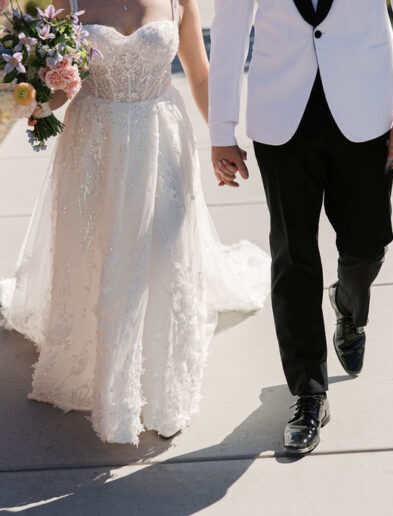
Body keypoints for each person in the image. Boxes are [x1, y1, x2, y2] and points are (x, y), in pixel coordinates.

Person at [0, 0, 270, 445]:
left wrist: (223, 140)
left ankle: (159, 382)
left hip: (160, 137)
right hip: (94, 141)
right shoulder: (66, 3)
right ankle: (106, 376)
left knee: (162, 258)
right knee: (100, 252)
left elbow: (199, 74)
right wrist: (37, 100)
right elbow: (60, 80)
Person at [209, 0, 393, 454]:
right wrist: (222, 128)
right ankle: (308, 393)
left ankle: (349, 310)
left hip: (367, 106)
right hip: (281, 112)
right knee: (293, 253)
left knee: (368, 242)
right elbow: (230, 25)